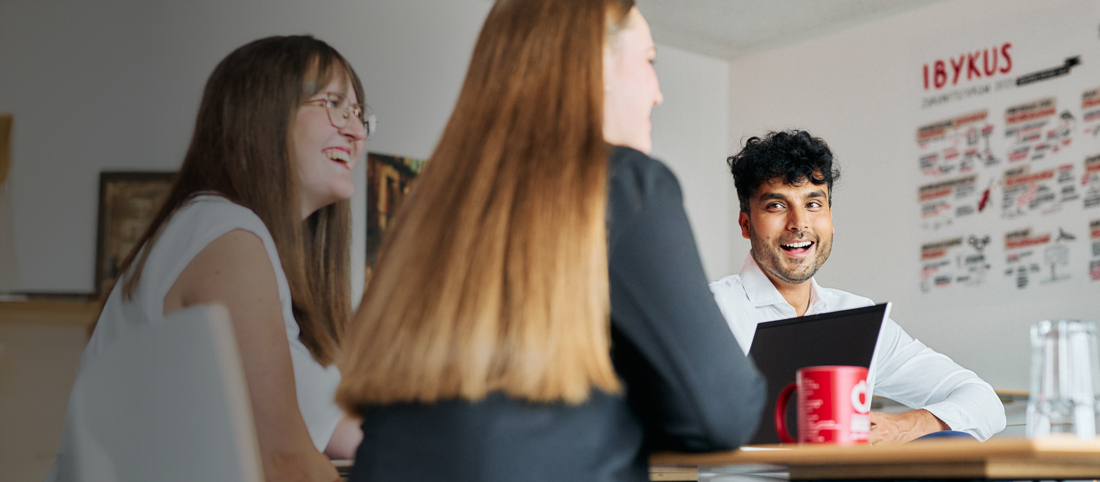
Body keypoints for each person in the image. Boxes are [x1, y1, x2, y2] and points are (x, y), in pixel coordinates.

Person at [334, 1, 765, 481]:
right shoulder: (627, 184)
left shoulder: (428, 207)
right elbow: (722, 412)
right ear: (596, 63)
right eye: (648, 60)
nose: (658, 93)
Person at [53, 36, 371, 481]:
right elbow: (285, 462)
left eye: (359, 114)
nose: (356, 132)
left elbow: (346, 432)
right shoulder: (225, 236)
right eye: (334, 104)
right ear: (262, 113)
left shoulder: (220, 234)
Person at [711, 130, 1006, 444]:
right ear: (746, 224)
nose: (799, 223)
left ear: (830, 217)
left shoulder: (855, 316)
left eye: (813, 203)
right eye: (776, 206)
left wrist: (908, 426)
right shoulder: (709, 310)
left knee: (953, 444)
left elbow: (984, 401)